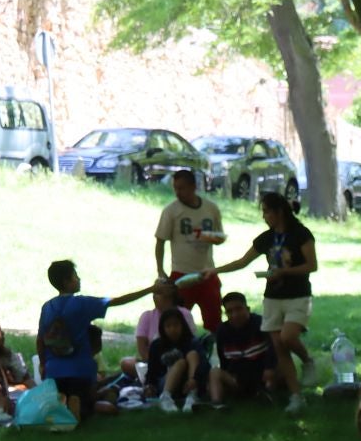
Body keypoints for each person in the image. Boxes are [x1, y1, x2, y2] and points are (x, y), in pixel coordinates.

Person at [210, 191, 318, 415]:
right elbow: (242, 262)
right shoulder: (266, 238)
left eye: (266, 211)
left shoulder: (301, 234)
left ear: (279, 211)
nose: (264, 216)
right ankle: (296, 396)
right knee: (278, 346)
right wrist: (214, 271)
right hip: (272, 298)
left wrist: (283, 272)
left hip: (297, 295)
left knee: (288, 337)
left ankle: (308, 360)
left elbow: (311, 265)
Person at [36, 259, 157, 422]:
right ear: (66, 281)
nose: (78, 279)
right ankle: (83, 405)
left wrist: (44, 364)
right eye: (75, 276)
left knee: (69, 398)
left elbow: (40, 339)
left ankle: (63, 403)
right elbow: (118, 300)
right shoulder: (81, 303)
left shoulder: (47, 307)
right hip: (81, 370)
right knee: (93, 403)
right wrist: (151, 289)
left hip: (54, 371)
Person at [156, 168, 227, 331]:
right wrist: (160, 270)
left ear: (193, 187)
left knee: (215, 321)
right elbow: (160, 241)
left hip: (207, 273)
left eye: (182, 188)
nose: (178, 192)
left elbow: (220, 238)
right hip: (181, 273)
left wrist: (206, 236)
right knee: (176, 320)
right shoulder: (171, 211)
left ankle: (216, 348)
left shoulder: (211, 208)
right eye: (175, 188)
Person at [207, 291, 277, 409]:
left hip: (263, 374)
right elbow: (223, 360)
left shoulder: (260, 323)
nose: (235, 315)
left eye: (239, 309)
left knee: (280, 363)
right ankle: (217, 404)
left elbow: (273, 349)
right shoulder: (222, 331)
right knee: (214, 372)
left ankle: (266, 393)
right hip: (239, 378)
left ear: (247, 308)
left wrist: (269, 368)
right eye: (230, 311)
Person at [124, 280, 195, 384]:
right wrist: (152, 362)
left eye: (159, 293)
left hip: (179, 359)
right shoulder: (146, 316)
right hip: (152, 361)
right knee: (126, 362)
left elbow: (191, 341)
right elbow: (142, 347)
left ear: (170, 296)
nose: (155, 297)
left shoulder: (185, 314)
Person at [146, 308, 204, 412]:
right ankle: (165, 397)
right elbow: (151, 370)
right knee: (181, 363)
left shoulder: (192, 342)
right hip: (165, 382)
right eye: (168, 326)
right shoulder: (156, 345)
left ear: (183, 325)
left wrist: (194, 379)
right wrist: (149, 385)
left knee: (193, 354)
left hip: (189, 382)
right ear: (162, 328)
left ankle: (192, 396)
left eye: (176, 325)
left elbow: (203, 364)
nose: (172, 329)